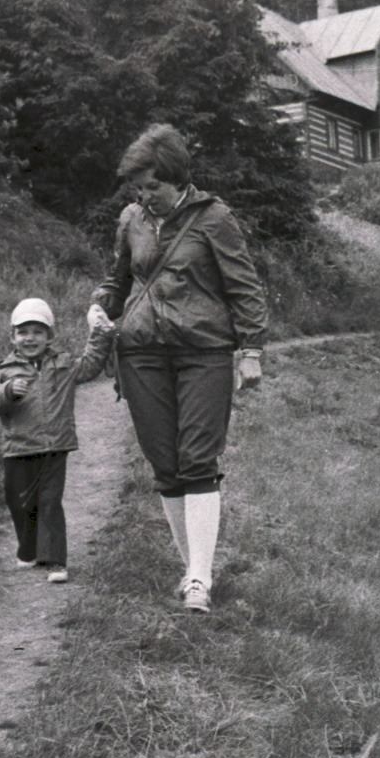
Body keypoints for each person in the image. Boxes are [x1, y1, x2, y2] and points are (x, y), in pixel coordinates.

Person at [92, 123, 268, 613]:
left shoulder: (214, 218)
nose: (147, 197)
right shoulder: (131, 219)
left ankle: (199, 579)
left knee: (197, 461)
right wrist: (102, 306)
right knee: (165, 464)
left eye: (155, 186)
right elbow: (117, 278)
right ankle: (195, 571)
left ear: (178, 178)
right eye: (139, 188)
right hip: (141, 353)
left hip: (203, 352)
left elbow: (244, 287)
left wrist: (250, 349)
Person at [0, 297, 116, 583]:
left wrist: (101, 335)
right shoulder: (3, 370)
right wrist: (6, 391)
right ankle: (29, 549)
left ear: (50, 336)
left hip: (56, 446)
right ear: (12, 337)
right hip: (18, 447)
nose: (30, 338)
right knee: (19, 502)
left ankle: (56, 561)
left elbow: (91, 365)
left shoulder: (63, 365)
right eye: (23, 332)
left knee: (50, 501)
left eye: (38, 332)